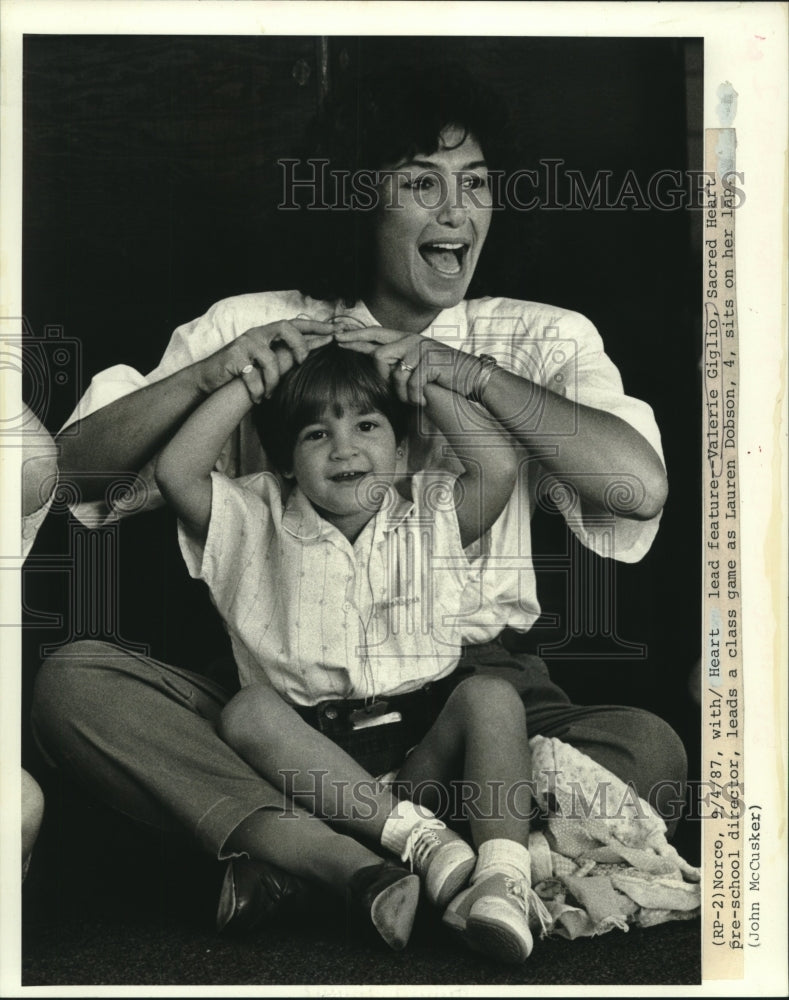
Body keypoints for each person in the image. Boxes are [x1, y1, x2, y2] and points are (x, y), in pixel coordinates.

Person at [31, 64, 686, 947]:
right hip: (280, 708)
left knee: (648, 747)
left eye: (477, 185)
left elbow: (634, 486)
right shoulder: (258, 323)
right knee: (78, 684)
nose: (457, 213)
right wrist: (213, 374)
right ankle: (404, 864)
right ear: (355, 203)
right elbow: (64, 477)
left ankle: (296, 863)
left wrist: (471, 377)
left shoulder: (536, 334)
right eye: (421, 183)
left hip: (468, 709)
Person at [155, 338, 552, 961]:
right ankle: (421, 850)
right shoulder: (255, 517)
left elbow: (498, 466)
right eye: (315, 434)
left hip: (420, 761)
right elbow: (175, 471)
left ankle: (501, 878)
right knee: (247, 712)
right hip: (307, 778)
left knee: (492, 697)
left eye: (366, 425)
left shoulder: (432, 516)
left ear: (401, 451)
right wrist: (252, 382)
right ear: (286, 460)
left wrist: (420, 377)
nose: (343, 447)